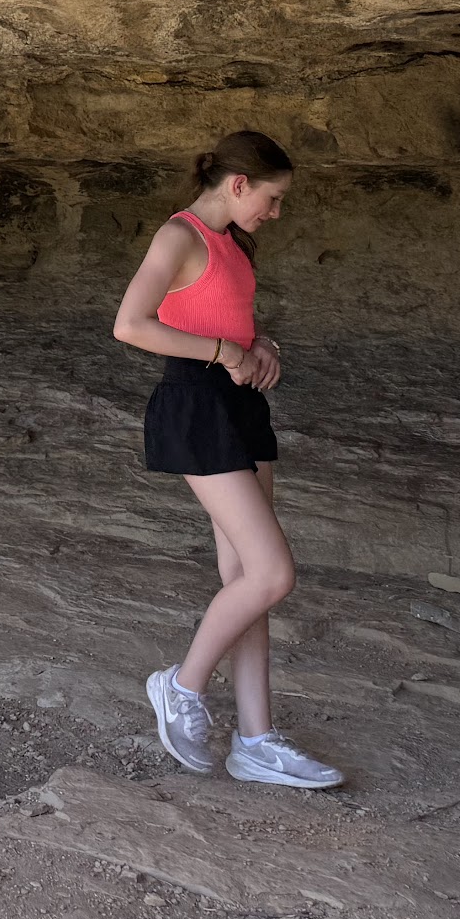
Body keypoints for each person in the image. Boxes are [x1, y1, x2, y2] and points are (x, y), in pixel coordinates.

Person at [112, 130, 343, 789]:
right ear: (238, 184)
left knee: (245, 577)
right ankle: (181, 685)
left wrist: (259, 343)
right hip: (197, 403)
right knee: (272, 573)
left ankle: (256, 742)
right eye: (272, 198)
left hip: (240, 404)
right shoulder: (178, 236)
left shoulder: (233, 242)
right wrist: (223, 352)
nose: (276, 212)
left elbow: (224, 318)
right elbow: (131, 324)